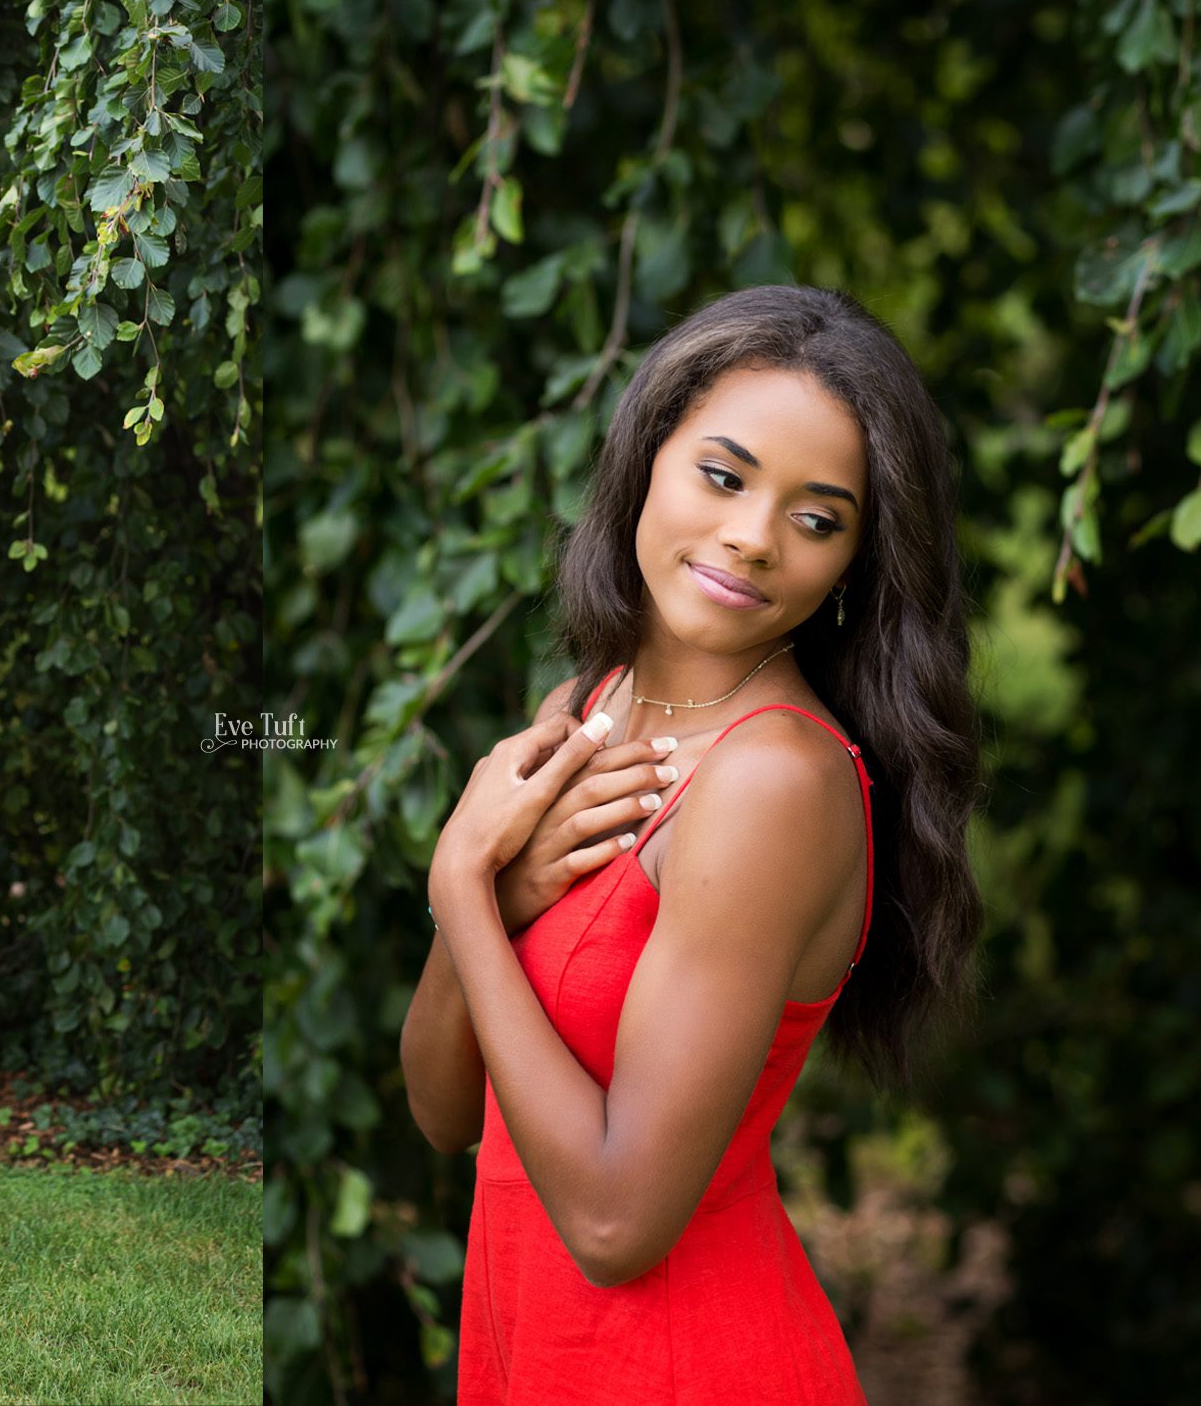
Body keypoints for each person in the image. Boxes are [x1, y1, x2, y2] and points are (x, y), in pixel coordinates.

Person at [399, 286, 982, 1403]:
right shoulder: (590, 703)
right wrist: (486, 898)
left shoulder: (772, 781)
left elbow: (616, 1223)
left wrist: (464, 885)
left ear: (856, 562)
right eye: (722, 476)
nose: (750, 539)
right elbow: (441, 1112)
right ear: (646, 459)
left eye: (817, 519)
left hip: (682, 1364)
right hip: (535, 1355)